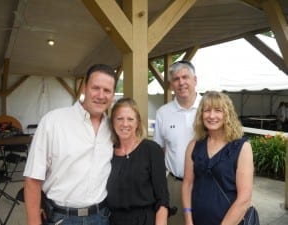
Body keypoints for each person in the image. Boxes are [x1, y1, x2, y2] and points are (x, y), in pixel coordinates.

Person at [23, 64, 117, 225]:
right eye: (96, 88)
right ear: (84, 88)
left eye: (107, 90)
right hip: (62, 218)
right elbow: (32, 179)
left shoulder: (112, 128)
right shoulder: (53, 122)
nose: (101, 95)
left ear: (113, 94)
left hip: (101, 217)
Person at [182, 91, 254, 225]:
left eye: (218, 110)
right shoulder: (194, 145)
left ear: (227, 114)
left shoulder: (242, 147)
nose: (211, 116)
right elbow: (187, 184)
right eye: (207, 110)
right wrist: (188, 218)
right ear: (201, 115)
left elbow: (244, 198)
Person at [106, 97, 169, 225]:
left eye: (130, 119)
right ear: (112, 122)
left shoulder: (151, 150)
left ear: (138, 123)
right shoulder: (107, 153)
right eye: (119, 119)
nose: (125, 124)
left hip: (145, 220)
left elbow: (162, 199)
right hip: (112, 221)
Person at [153, 60, 202, 225]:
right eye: (176, 79)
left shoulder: (210, 109)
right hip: (175, 184)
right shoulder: (163, 113)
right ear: (171, 85)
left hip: (207, 184)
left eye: (185, 77)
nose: (181, 82)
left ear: (195, 80)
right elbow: (158, 151)